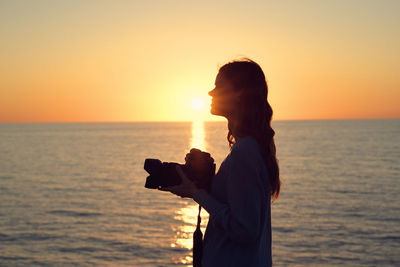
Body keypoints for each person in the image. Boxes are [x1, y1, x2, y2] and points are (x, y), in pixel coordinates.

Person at [160, 58, 280, 267]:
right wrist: (202, 183)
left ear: (240, 93)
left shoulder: (245, 152)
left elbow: (245, 229)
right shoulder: (249, 148)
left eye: (218, 86)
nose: (211, 93)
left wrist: (198, 195)